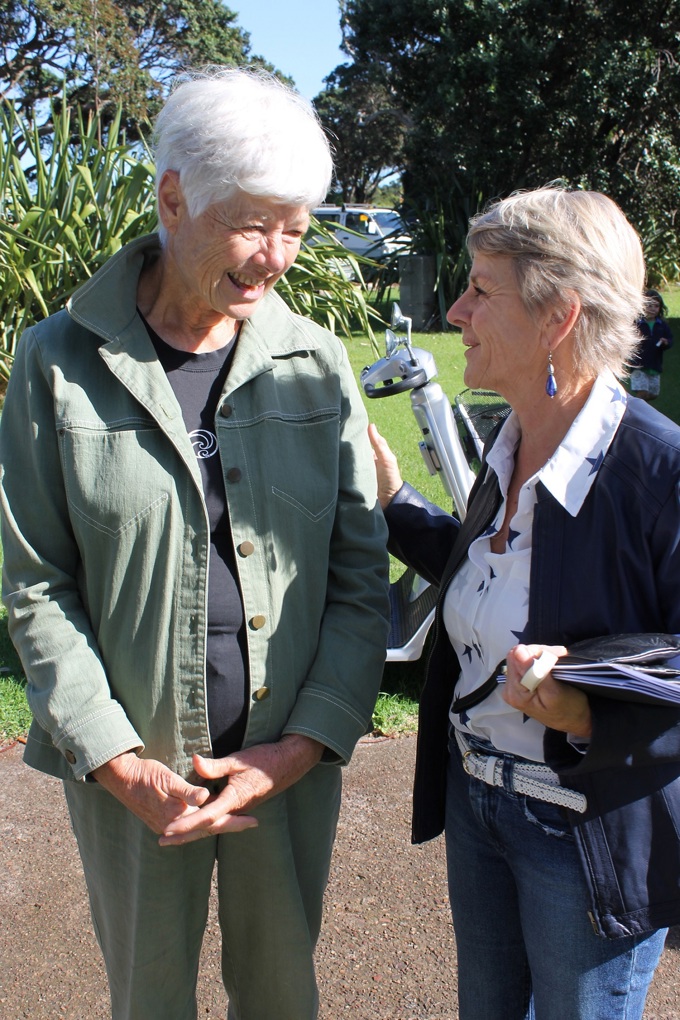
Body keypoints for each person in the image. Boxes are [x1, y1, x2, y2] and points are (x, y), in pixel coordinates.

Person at [0, 67, 390, 1020]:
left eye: (296, 228)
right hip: (134, 767)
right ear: (173, 198)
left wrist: (303, 745)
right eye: (252, 225)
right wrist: (113, 757)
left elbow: (357, 574)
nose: (276, 257)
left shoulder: (315, 363)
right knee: (149, 997)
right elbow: (37, 584)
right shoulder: (56, 362)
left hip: (283, 766)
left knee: (281, 995)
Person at [369, 186, 680, 1020]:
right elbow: (491, 578)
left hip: (586, 832)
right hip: (480, 803)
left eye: (480, 288)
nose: (456, 312)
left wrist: (590, 710)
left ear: (557, 317)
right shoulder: (513, 444)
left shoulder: (661, 473)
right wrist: (395, 500)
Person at [629, 287, 674, 400]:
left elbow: (670, 339)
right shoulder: (637, 324)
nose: (653, 309)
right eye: (649, 305)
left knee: (653, 394)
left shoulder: (662, 325)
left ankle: (639, 407)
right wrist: (635, 338)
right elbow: (628, 339)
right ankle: (634, 408)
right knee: (642, 392)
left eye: (656, 306)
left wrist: (666, 342)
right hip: (638, 364)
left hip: (654, 364)